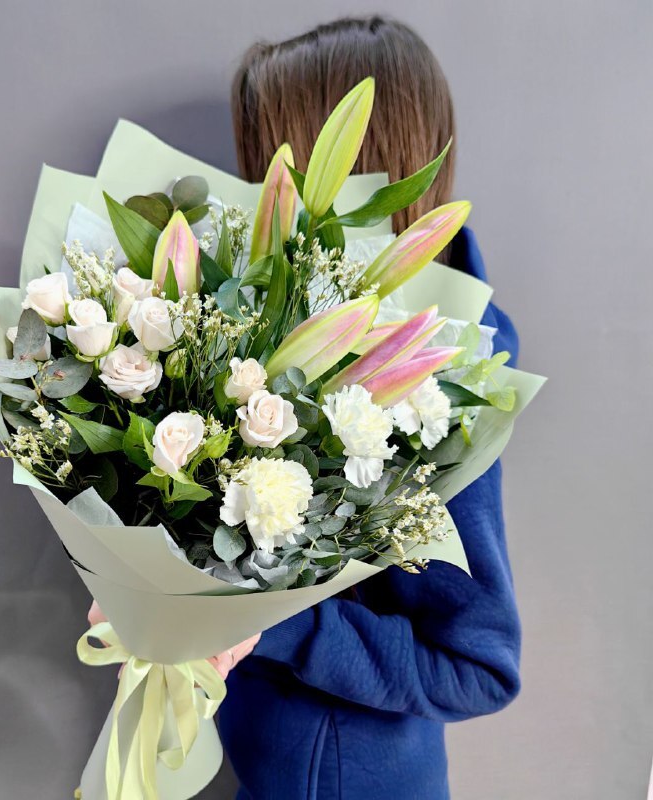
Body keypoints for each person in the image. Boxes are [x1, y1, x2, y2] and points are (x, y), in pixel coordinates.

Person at [213, 16, 522, 800]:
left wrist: (268, 621)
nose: (257, 195)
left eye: (268, 166)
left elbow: (477, 668)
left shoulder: (451, 381)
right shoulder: (288, 320)